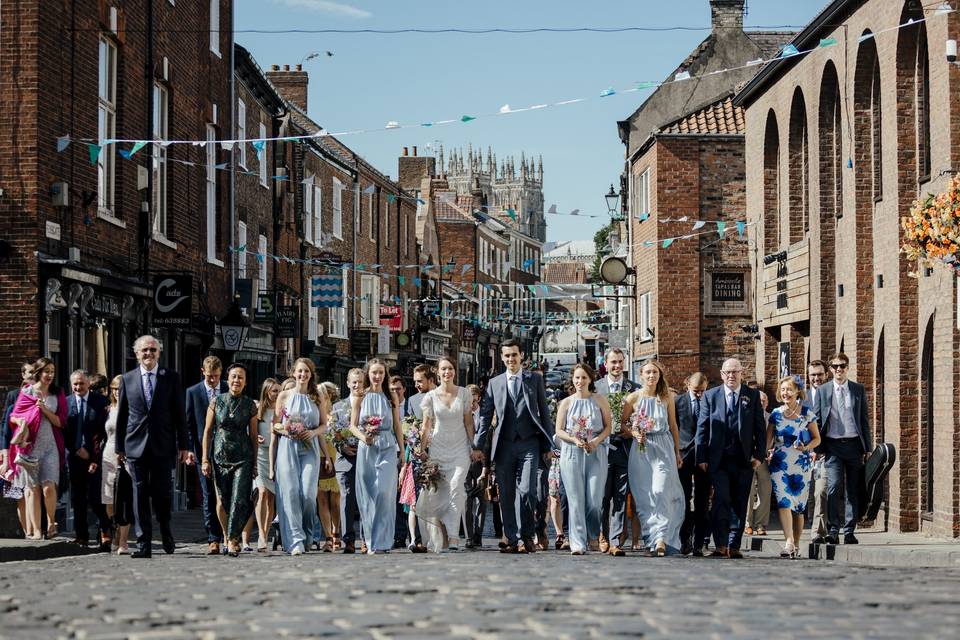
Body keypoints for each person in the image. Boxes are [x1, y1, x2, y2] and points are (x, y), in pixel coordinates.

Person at [115, 335, 194, 558]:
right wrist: (119, 447)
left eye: (152, 350)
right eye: (144, 351)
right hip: (135, 446)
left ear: (159, 353)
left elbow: (180, 414)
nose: (148, 354)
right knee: (138, 493)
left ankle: (166, 529)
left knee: (162, 494)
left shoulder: (170, 377)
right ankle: (144, 543)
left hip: (163, 444)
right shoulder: (128, 379)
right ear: (137, 354)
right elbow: (122, 416)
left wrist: (184, 444)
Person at [474, 339, 553, 554]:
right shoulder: (495, 383)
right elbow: (485, 417)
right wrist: (478, 445)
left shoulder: (534, 379)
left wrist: (549, 444)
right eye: (507, 356)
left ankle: (527, 535)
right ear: (502, 358)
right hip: (504, 445)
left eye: (514, 355)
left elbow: (544, 413)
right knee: (506, 494)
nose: (511, 359)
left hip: (529, 443)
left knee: (528, 491)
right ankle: (512, 538)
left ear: (521, 356)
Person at [695, 358, 766, 559]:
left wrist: (759, 455)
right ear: (721, 374)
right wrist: (701, 456)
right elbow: (703, 427)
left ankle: (734, 545)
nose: (731, 376)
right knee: (721, 499)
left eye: (735, 372)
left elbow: (760, 429)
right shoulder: (710, 396)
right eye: (727, 372)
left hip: (744, 459)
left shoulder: (751, 396)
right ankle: (720, 545)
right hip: (719, 459)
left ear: (742, 373)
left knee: (740, 501)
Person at [621, 359, 684, 556]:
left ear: (659, 376)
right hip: (641, 450)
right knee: (645, 497)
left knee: (660, 491)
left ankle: (661, 539)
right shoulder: (632, 398)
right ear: (641, 375)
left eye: (655, 373)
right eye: (648, 372)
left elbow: (673, 425)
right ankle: (651, 539)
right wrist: (634, 433)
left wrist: (677, 451)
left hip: (663, 447)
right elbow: (622, 424)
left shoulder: (666, 398)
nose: (651, 376)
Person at [416, 357, 474, 552]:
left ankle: (454, 536)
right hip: (438, 450)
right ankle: (440, 535)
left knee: (457, 486)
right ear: (438, 372)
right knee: (439, 493)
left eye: (450, 368)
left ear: (454, 371)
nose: (447, 372)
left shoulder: (464, 394)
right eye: (444, 369)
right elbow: (426, 426)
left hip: (459, 449)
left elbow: (468, 423)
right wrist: (422, 448)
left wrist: (474, 446)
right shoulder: (430, 397)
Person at [200, 363, 258, 557]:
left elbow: (253, 436)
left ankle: (233, 540)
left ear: (245, 382)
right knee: (223, 499)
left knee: (239, 498)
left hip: (243, 456)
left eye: (241, 377)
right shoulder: (217, 401)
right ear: (228, 379)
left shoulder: (250, 405)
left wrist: (255, 462)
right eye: (233, 376)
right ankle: (226, 535)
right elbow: (207, 432)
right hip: (220, 456)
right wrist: (205, 459)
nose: (236, 380)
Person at [272, 358, 329, 556]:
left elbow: (324, 424)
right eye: (299, 371)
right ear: (294, 373)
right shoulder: (285, 395)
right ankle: (294, 539)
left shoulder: (317, 396)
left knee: (307, 494)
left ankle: (308, 534)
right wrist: (287, 430)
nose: (303, 375)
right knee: (290, 493)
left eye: (306, 372)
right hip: (288, 447)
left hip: (310, 448)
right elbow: (275, 424)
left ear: (311, 374)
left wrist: (313, 433)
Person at [554, 363, 612, 555]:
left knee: (594, 499)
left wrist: (595, 441)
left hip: (595, 451)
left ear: (590, 379)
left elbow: (608, 427)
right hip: (572, 452)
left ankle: (594, 534)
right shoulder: (566, 403)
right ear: (573, 380)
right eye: (577, 378)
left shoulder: (599, 400)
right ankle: (577, 541)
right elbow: (559, 430)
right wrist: (573, 439)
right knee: (575, 499)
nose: (580, 381)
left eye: (584, 378)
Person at [814, 352, 871, 545]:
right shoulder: (823, 391)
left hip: (854, 445)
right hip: (832, 446)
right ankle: (832, 530)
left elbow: (864, 419)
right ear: (830, 369)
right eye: (835, 366)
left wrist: (868, 447)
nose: (839, 369)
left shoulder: (857, 389)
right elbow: (817, 419)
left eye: (843, 366)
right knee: (833, 487)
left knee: (853, 490)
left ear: (847, 368)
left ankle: (849, 531)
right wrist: (816, 446)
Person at [6, 358, 67, 540]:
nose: (50, 375)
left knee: (48, 487)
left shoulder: (58, 393)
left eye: (52, 371)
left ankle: (51, 521)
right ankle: (37, 531)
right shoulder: (27, 392)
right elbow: (13, 416)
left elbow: (61, 421)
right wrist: (21, 422)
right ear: (39, 372)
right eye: (46, 371)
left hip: (50, 447)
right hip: (30, 448)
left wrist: (44, 409)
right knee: (32, 489)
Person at [350, 358, 404, 554]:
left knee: (384, 493)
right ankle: (372, 541)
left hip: (388, 446)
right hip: (367, 449)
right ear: (368, 374)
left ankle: (383, 539)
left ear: (385, 374)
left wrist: (403, 452)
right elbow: (352, 426)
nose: (377, 376)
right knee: (368, 496)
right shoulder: (360, 396)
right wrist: (364, 437)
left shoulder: (391, 396)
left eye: (381, 372)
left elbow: (397, 425)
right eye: (374, 372)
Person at [767, 376, 821, 557]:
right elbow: (769, 441)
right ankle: (788, 541)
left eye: (789, 389)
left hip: (801, 463)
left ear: (797, 391)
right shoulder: (775, 413)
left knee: (798, 507)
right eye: (783, 390)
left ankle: (796, 544)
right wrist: (766, 453)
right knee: (784, 502)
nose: (785, 393)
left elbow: (817, 438)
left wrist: (805, 447)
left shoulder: (807, 413)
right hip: (780, 463)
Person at [594, 348, 636, 557]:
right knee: (603, 496)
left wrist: (633, 430)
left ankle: (615, 540)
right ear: (606, 364)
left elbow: (638, 417)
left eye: (620, 362)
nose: (617, 366)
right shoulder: (596, 388)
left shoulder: (633, 388)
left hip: (625, 449)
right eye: (613, 362)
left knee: (620, 496)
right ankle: (603, 534)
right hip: (602, 448)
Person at [184, 356, 227, 555]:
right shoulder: (193, 393)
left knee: (227, 494)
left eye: (216, 376)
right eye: (210, 376)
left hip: (228, 450)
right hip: (204, 452)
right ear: (203, 372)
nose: (213, 380)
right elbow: (189, 424)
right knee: (209, 494)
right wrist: (190, 449)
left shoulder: (229, 388)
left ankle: (229, 535)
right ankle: (213, 538)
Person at [65, 369, 110, 549]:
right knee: (78, 498)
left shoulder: (100, 402)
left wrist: (93, 456)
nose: (78, 387)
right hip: (75, 457)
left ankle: (105, 531)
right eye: (75, 384)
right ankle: (81, 536)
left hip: (95, 457)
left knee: (96, 497)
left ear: (88, 384)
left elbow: (103, 432)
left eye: (81, 383)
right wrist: (76, 450)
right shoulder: (66, 403)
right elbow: (63, 430)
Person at [399, 367, 434, 552]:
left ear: (430, 379)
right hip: (417, 456)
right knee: (416, 499)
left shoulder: (440, 395)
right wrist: (416, 448)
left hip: (438, 451)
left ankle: (435, 538)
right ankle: (417, 539)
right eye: (415, 381)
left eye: (420, 381)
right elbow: (409, 427)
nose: (416, 384)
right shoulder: (412, 400)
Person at [675, 372, 709, 556]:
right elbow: (674, 428)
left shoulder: (709, 401)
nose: (699, 395)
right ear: (687, 384)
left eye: (702, 391)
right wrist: (676, 453)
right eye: (696, 391)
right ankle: (684, 539)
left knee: (702, 500)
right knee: (684, 499)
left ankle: (700, 542)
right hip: (683, 456)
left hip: (704, 457)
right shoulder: (678, 402)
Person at [1, 361, 36, 535]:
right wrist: (5, 458)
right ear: (23, 375)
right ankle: (27, 532)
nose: (32, 375)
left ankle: (36, 529)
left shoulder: (41, 395)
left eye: (35, 372)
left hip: (34, 451)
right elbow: (4, 430)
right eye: (29, 372)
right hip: (15, 454)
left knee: (33, 492)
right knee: (19, 496)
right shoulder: (13, 397)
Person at [331, 369, 363, 554]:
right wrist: (341, 446)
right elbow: (332, 433)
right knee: (347, 498)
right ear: (348, 384)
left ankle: (367, 537)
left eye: (360, 382)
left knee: (366, 498)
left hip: (365, 455)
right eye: (354, 382)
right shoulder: (338, 407)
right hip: (345, 459)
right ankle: (348, 539)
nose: (357, 385)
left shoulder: (369, 404)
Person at [100, 375, 130, 554]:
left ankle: (123, 539)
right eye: (114, 389)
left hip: (127, 455)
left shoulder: (133, 408)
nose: (117, 392)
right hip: (109, 454)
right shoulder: (108, 409)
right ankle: (115, 529)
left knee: (125, 498)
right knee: (109, 500)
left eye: (120, 389)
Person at [253, 378, 279, 552]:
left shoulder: (281, 409)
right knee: (261, 493)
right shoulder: (257, 409)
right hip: (260, 455)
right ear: (266, 392)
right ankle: (261, 535)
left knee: (271, 499)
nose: (276, 394)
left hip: (277, 456)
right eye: (273, 391)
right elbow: (249, 429)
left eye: (278, 391)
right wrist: (255, 436)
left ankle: (266, 532)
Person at [805, 360, 830, 544]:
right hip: (805, 455)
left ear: (826, 375)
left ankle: (819, 532)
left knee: (821, 491)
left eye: (820, 374)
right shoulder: (802, 399)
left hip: (825, 454)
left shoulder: (832, 395)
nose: (816, 378)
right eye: (813, 375)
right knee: (808, 494)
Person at [316, 381, 341, 551]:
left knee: (335, 501)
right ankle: (327, 537)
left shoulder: (336, 414)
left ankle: (336, 532)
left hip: (335, 457)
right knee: (322, 499)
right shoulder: (314, 415)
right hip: (317, 457)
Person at [745, 390, 772, 538]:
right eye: (759, 400)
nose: (761, 403)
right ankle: (747, 524)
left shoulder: (771, 418)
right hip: (749, 457)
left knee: (765, 491)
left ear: (767, 403)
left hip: (765, 459)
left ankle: (761, 524)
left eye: (764, 401)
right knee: (748, 490)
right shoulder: (748, 415)